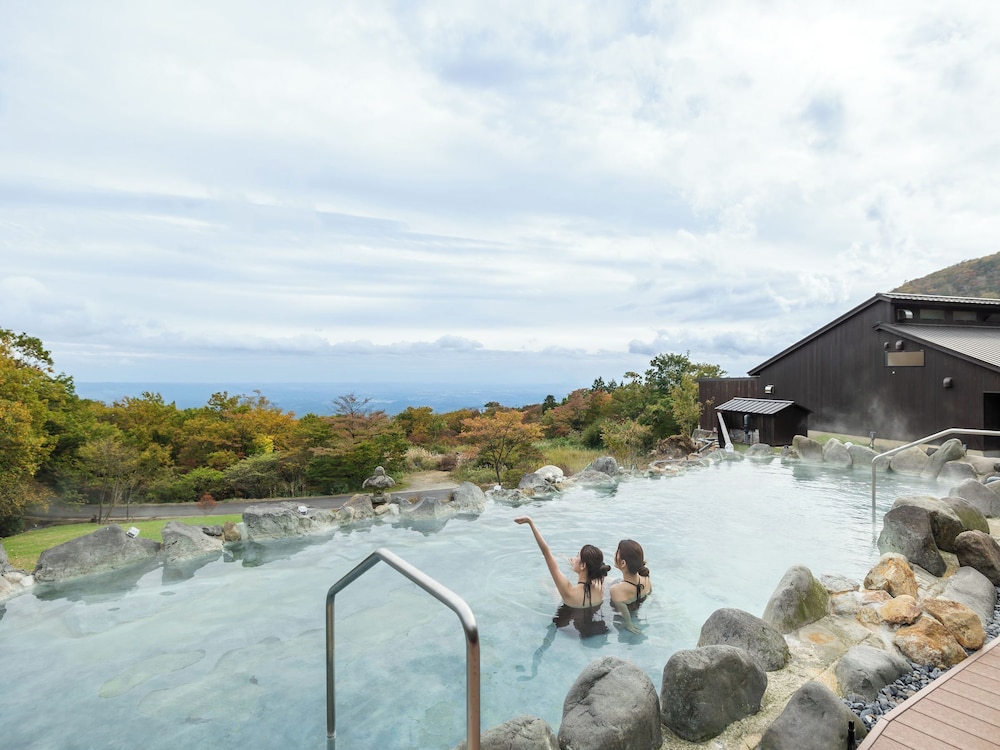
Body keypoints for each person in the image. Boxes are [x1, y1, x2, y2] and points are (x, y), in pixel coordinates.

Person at [514, 516, 610, 609]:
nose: (574, 558)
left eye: (577, 556)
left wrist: (530, 522)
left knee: (554, 593)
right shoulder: (599, 588)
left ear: (583, 565)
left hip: (567, 623)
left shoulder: (569, 591)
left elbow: (546, 552)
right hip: (596, 624)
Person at [609, 539, 652, 635]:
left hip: (624, 620)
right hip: (636, 611)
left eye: (617, 552)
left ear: (623, 563)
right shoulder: (647, 580)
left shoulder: (615, 589)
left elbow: (624, 614)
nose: (614, 555)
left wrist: (628, 624)